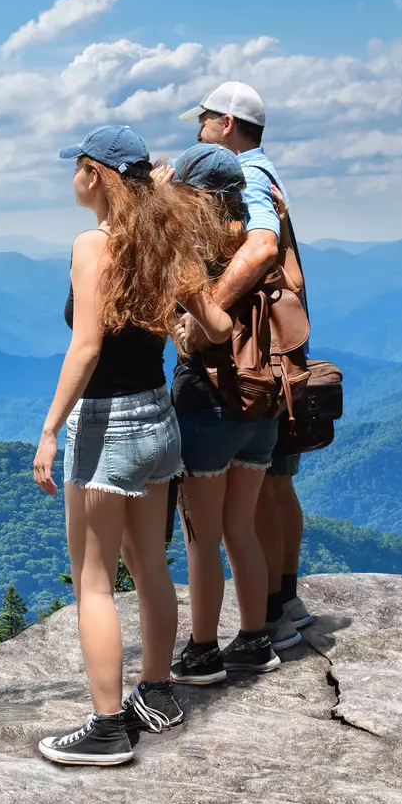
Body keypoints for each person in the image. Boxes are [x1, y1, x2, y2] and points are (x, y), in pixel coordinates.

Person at [32, 125, 202, 768]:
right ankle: (155, 692)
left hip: (109, 425)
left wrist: (51, 429)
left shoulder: (92, 243)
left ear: (95, 174)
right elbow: (209, 324)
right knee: (150, 565)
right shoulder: (162, 242)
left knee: (94, 583)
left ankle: (107, 728)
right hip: (160, 420)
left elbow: (87, 346)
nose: (72, 179)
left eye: (76, 168)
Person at [175, 81, 310, 646]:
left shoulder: (246, 176)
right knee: (273, 483)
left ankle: (269, 615)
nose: (198, 128)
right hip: (279, 353)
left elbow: (258, 249)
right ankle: (282, 603)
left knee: (236, 512)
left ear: (227, 123)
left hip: (242, 362)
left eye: (204, 120)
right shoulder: (269, 171)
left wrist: (205, 314)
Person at [162, 143, 277, 684]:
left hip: (207, 400)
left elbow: (197, 326)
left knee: (202, 537)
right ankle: (255, 639)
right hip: (264, 398)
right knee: (241, 530)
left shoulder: (196, 249)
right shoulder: (257, 240)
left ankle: (203, 650)